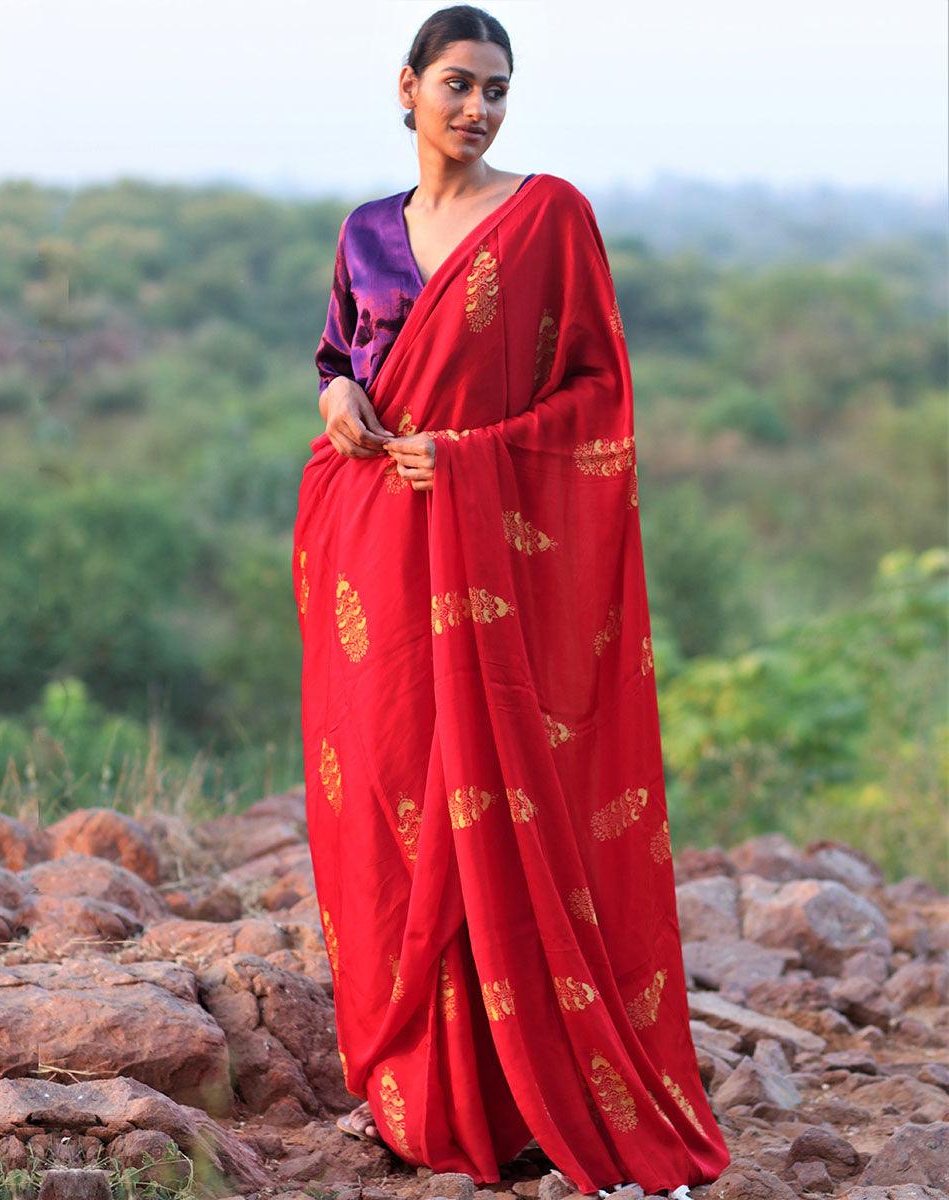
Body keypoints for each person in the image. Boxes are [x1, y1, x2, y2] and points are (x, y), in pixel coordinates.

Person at [292, 6, 731, 1196]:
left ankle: (532, 1085)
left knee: (499, 793)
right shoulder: (367, 233)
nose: (477, 107)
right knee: (393, 792)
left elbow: (602, 398)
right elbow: (341, 357)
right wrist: (338, 403)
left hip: (496, 557)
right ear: (406, 89)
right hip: (377, 548)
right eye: (455, 85)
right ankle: (424, 1086)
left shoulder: (548, 219)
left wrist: (477, 457)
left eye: (496, 89)